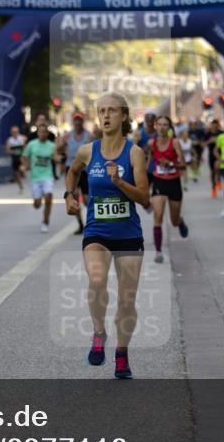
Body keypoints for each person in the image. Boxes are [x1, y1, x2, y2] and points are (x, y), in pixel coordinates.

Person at [65, 93, 149, 379]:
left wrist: (118, 182)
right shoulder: (88, 151)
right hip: (97, 231)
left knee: (127, 300)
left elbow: (144, 197)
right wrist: (69, 196)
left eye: (112, 110)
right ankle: (99, 332)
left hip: (128, 234)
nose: (106, 115)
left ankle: (122, 355)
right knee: (97, 279)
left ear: (124, 116)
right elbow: (73, 172)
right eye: (102, 111)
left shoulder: (134, 153)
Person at [148, 115, 189, 263]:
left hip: (173, 183)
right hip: (159, 182)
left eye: (165, 125)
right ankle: (158, 251)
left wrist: (171, 164)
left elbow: (184, 165)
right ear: (155, 126)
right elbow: (150, 161)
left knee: (174, 220)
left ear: (169, 127)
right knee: (157, 216)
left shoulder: (175, 143)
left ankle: (181, 221)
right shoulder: (151, 143)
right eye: (159, 124)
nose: (162, 127)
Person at [57, 111, 92, 235]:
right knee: (74, 196)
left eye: (80, 120)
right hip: (71, 169)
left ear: (82, 121)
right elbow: (59, 149)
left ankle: (92, 222)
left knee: (87, 199)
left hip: (85, 170)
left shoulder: (89, 136)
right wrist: (61, 145)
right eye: (76, 120)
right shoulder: (67, 135)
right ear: (73, 121)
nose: (78, 122)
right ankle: (81, 225)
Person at [22, 122, 57, 233]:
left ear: (47, 133)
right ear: (37, 133)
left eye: (45, 132)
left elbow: (56, 157)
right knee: (37, 205)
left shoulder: (52, 146)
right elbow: (24, 156)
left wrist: (60, 158)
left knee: (49, 197)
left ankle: (45, 222)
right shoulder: (32, 144)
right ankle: (38, 198)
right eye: (40, 132)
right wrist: (25, 166)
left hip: (47, 176)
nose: (42, 134)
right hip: (35, 177)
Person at [204, 118, 223, 198]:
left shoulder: (221, 133)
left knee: (217, 168)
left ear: (218, 126)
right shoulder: (208, 134)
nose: (214, 127)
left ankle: (218, 179)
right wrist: (209, 141)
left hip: (220, 154)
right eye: (213, 126)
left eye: (216, 126)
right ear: (211, 126)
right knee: (212, 172)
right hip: (211, 155)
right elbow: (203, 145)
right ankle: (213, 187)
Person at [5, 125, 26, 194]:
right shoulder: (10, 140)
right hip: (15, 159)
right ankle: (20, 186)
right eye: (13, 132)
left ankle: (23, 172)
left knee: (22, 169)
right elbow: (7, 150)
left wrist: (22, 150)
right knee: (16, 174)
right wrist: (13, 151)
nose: (15, 133)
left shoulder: (22, 138)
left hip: (21, 158)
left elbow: (25, 147)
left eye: (16, 132)